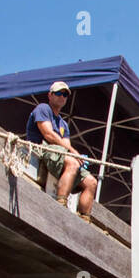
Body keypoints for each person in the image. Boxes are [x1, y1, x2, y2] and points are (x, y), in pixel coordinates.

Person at [26, 81, 97, 221]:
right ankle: (60, 204)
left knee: (91, 182)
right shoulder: (43, 108)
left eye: (65, 94)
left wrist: (75, 155)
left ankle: (84, 219)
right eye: (58, 93)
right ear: (50, 95)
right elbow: (48, 134)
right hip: (43, 149)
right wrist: (73, 152)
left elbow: (66, 145)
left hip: (59, 153)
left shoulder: (64, 124)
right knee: (73, 163)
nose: (62, 96)